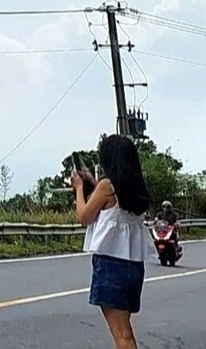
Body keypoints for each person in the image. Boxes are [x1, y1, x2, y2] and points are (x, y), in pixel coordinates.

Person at [72, 134, 154, 349]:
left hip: (111, 265)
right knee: (125, 330)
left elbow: (84, 216)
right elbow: (113, 208)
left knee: (122, 335)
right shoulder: (136, 188)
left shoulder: (107, 187)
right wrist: (92, 182)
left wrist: (80, 188)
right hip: (134, 266)